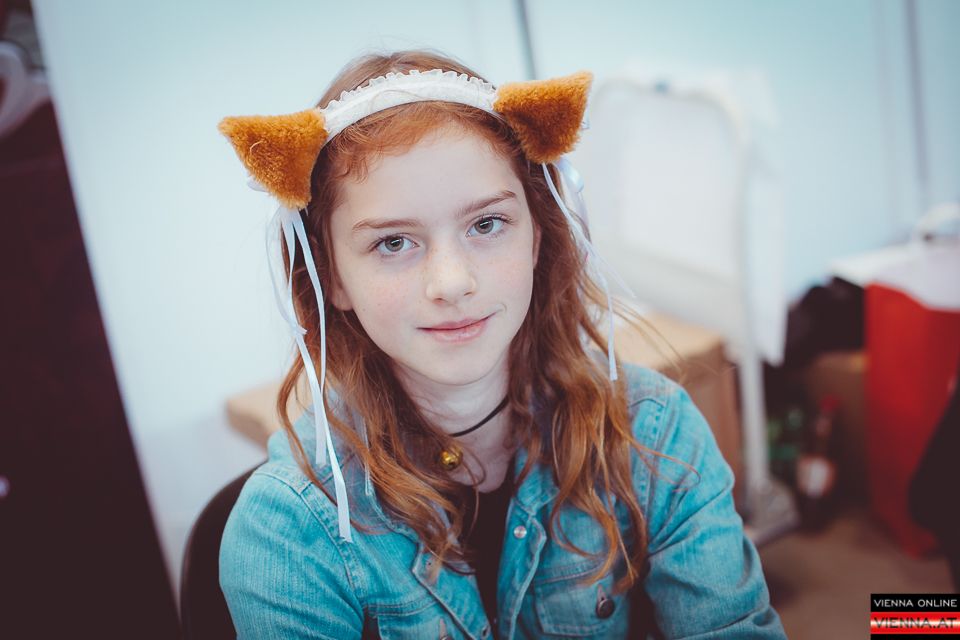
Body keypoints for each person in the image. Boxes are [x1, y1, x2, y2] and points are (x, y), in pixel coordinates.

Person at [217, 49, 786, 639]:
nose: (451, 282)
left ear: (536, 236)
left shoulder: (655, 435)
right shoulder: (287, 531)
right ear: (331, 276)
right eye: (393, 243)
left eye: (486, 224)